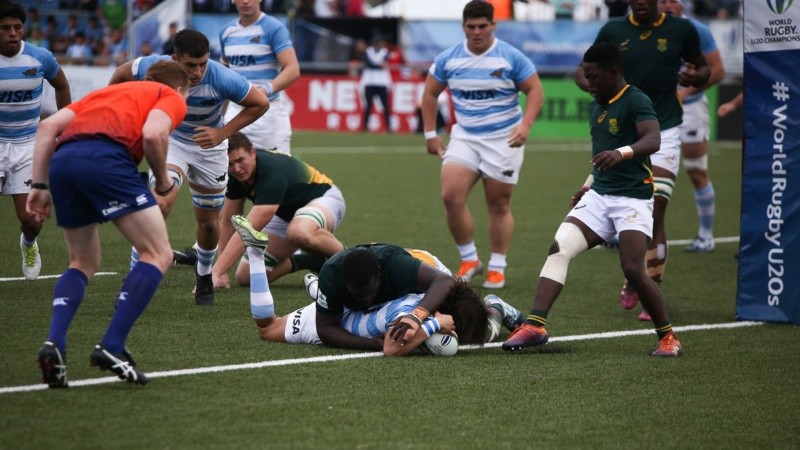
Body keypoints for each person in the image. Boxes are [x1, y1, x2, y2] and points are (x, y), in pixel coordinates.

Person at [503, 43, 682, 357]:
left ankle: (668, 337)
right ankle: (535, 325)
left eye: (593, 77)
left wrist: (622, 153)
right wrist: (587, 185)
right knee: (559, 248)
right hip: (599, 196)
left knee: (632, 270)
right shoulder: (597, 105)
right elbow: (602, 156)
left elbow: (653, 140)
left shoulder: (636, 100)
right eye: (585, 76)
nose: (587, 83)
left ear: (613, 73)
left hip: (633, 200)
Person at [30, 60, 190, 388]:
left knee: (82, 261)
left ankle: (55, 343)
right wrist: (162, 183)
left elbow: (47, 128)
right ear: (181, 89)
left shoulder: (105, 93)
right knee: (158, 253)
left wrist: (38, 186)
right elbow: (153, 134)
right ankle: (112, 345)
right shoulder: (168, 94)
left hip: (63, 162)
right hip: (107, 159)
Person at [109, 29, 269, 306]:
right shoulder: (156, 66)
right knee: (160, 202)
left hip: (211, 148)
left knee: (208, 224)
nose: (197, 72)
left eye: (202, 64)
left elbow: (260, 103)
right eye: (190, 65)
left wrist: (222, 133)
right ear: (174, 59)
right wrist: (117, 113)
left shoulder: (221, 77)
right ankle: (135, 278)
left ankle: (204, 274)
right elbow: (122, 74)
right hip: (173, 140)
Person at [576, 0, 710, 312]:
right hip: (622, 132)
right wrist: (592, 87)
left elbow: (704, 67)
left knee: (656, 208)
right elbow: (586, 70)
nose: (640, 2)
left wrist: (695, 77)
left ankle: (648, 287)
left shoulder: (681, 29)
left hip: (664, 130)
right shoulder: (613, 30)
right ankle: (636, 271)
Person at [230, 216, 524, 353]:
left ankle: (496, 309)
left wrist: (422, 316)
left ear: (380, 279)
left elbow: (443, 281)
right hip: (346, 308)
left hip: (424, 280)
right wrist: (371, 344)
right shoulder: (336, 275)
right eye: (360, 293)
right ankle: (258, 255)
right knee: (268, 329)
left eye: (370, 291)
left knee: (472, 324)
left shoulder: (399, 271)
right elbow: (326, 329)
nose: (366, 297)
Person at [421, 0, 545, 290]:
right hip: (465, 136)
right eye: (470, 27)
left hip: (504, 139)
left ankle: (497, 266)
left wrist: (525, 125)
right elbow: (429, 94)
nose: (476, 32)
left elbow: (535, 90)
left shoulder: (511, 57)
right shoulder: (448, 58)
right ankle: (469, 259)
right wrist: (430, 134)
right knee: (451, 196)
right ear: (463, 27)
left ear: (493, 26)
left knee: (498, 203)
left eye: (482, 26)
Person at [210, 132, 346, 288]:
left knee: (298, 232)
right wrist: (222, 272)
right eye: (230, 163)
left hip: (323, 198)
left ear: (253, 153)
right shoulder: (235, 175)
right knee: (246, 276)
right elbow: (228, 220)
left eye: (241, 160)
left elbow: (247, 229)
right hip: (284, 212)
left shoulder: (271, 173)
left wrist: (215, 272)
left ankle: (351, 259)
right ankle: (312, 260)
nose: (237, 168)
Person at [0, 0, 71, 281]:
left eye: (17, 27)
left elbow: (62, 85)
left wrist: (63, 127)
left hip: (29, 145)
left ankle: (28, 244)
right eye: (5, 28)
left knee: (32, 219)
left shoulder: (40, 58)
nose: (13, 33)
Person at [659, 0, 725, 257]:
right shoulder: (651, 29)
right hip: (657, 108)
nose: (666, 6)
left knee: (696, 171)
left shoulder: (696, 30)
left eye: (671, 0)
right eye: (661, 1)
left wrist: (686, 92)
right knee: (642, 169)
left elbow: (718, 71)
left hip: (691, 109)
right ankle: (629, 230)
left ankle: (706, 236)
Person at [219, 0, 300, 154]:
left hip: (268, 111)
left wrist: (263, 91)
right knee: (230, 169)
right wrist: (218, 114)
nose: (245, 1)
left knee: (276, 171)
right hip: (236, 110)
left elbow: (293, 68)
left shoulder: (274, 28)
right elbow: (224, 75)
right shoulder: (225, 32)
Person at [360, 33, 392, 132]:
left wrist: (377, 65)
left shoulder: (385, 52)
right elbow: (369, 64)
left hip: (382, 82)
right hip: (369, 82)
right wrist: (379, 65)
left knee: (385, 106)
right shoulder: (368, 51)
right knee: (368, 106)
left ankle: (389, 127)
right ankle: (365, 127)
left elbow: (383, 62)